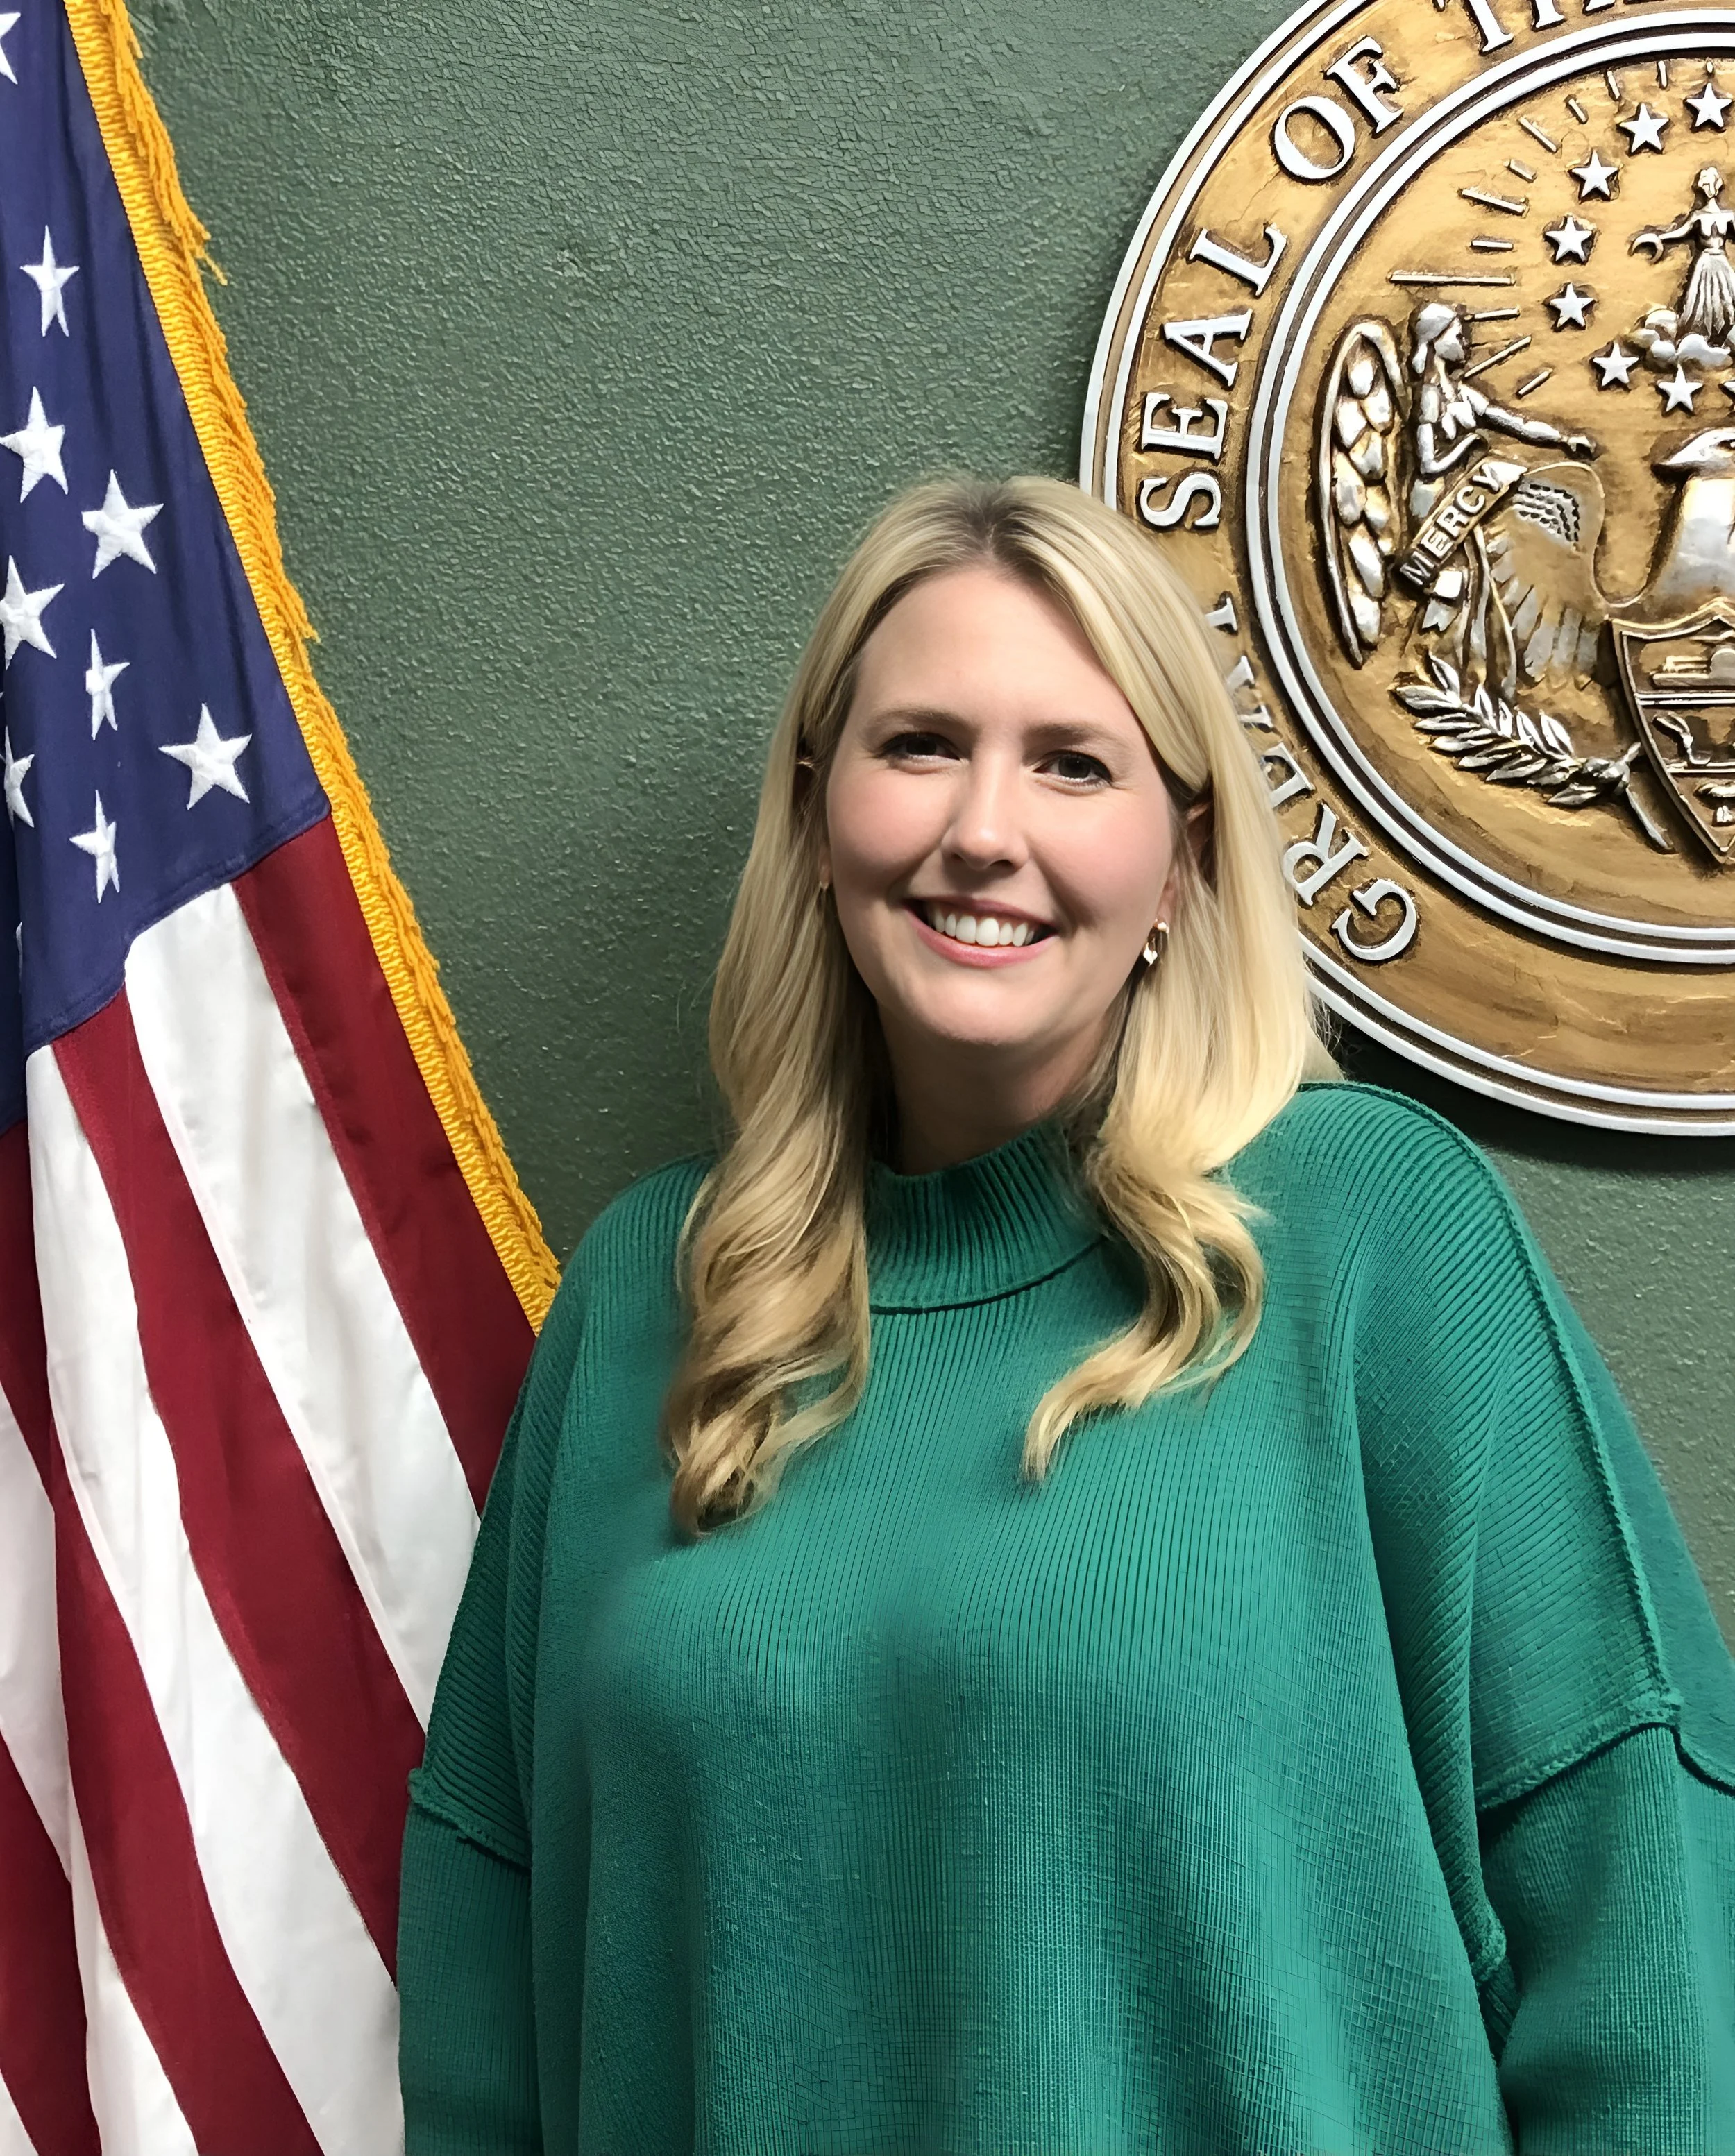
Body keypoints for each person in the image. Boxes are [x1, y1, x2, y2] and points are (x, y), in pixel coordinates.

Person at [397, 474, 1735, 2153]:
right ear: (816, 819)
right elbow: (483, 1981)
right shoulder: (647, 1293)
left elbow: (1642, 1929)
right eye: (918, 744)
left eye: (1071, 762)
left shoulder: (1374, 1233)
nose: (982, 826)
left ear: (1180, 858)